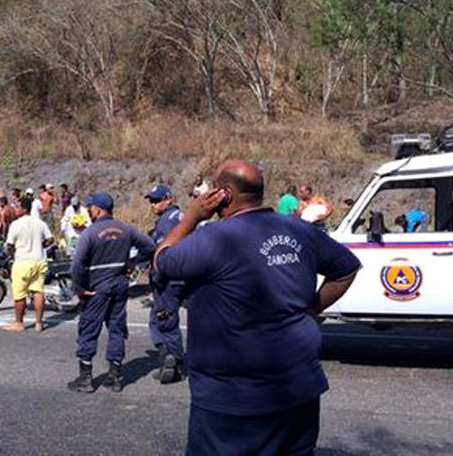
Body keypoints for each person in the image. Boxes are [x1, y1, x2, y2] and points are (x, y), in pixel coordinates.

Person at [154, 159, 361, 455]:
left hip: (233, 400)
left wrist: (192, 217)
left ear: (224, 194)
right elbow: (346, 269)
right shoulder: (299, 229)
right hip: (299, 388)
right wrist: (309, 311)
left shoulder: (215, 238)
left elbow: (161, 261)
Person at [67, 192, 155, 394]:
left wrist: (79, 289)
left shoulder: (89, 234)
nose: (89, 210)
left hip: (97, 288)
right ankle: (115, 377)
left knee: (89, 329)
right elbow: (149, 246)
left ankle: (86, 378)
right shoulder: (126, 229)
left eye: (90, 207)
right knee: (116, 328)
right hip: (120, 285)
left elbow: (78, 264)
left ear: (98, 209)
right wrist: (133, 263)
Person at [144, 184, 185, 384]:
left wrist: (157, 276)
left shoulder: (167, 222)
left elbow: (163, 252)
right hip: (180, 276)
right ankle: (169, 359)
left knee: (164, 320)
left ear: (168, 199)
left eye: (157, 200)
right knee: (160, 319)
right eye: (151, 201)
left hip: (168, 278)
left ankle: (172, 361)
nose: (153, 204)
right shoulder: (179, 217)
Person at [3, 197, 54, 332]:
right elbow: (50, 239)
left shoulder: (16, 224)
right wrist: (41, 246)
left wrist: (12, 254)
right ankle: (38, 322)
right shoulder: (39, 223)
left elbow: (9, 245)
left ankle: (19, 322)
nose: (15, 209)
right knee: (38, 291)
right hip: (38, 260)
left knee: (19, 295)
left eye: (17, 207)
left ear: (24, 208)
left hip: (22, 262)